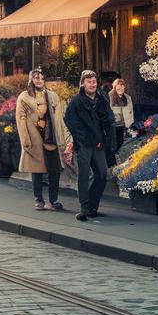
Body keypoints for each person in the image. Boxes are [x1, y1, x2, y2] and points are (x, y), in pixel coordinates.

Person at [15, 68, 71, 211]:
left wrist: (63, 138)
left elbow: (59, 118)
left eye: (41, 78)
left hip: (50, 136)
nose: (39, 80)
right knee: (37, 170)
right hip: (34, 136)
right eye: (36, 78)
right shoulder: (24, 96)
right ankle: (38, 200)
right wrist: (25, 140)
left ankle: (53, 200)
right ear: (31, 80)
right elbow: (20, 119)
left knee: (55, 169)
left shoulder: (52, 96)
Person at [64, 69, 114, 221]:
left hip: (99, 143)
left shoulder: (102, 99)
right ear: (82, 83)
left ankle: (93, 205)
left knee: (102, 174)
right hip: (84, 144)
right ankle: (84, 208)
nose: (92, 84)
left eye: (94, 81)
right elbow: (69, 120)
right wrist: (82, 139)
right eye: (89, 81)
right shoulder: (76, 102)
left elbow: (109, 120)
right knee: (84, 176)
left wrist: (109, 141)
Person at [106, 77, 134, 169]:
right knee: (112, 146)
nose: (120, 88)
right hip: (112, 125)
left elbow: (131, 111)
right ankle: (111, 165)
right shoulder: (109, 96)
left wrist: (131, 125)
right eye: (118, 86)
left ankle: (119, 165)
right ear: (114, 87)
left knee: (121, 144)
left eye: (122, 86)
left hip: (123, 125)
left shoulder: (128, 97)